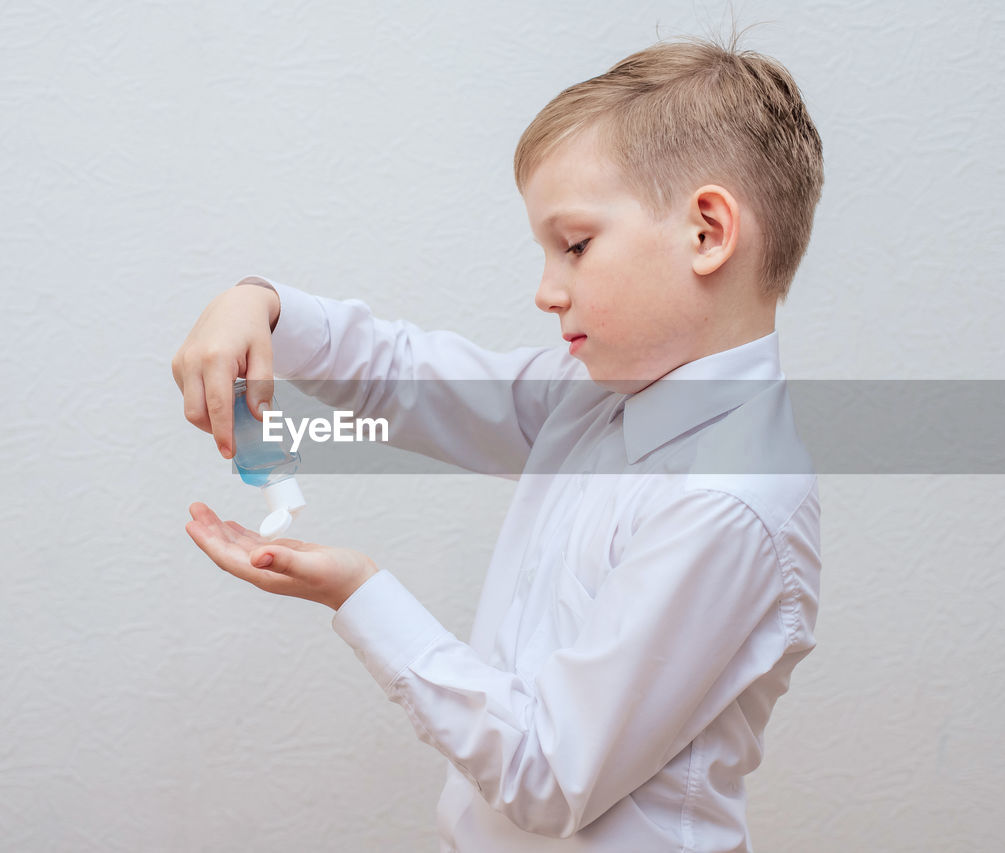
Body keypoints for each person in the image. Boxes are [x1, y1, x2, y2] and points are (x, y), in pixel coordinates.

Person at [171, 30, 824, 853]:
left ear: (707, 232)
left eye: (575, 245)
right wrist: (258, 305)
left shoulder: (729, 500)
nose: (547, 290)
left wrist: (358, 592)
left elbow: (548, 773)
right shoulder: (595, 397)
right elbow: (406, 377)